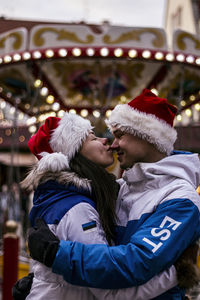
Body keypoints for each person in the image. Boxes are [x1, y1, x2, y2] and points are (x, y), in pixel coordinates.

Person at [27, 89, 200, 299]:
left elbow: (135, 263)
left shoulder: (180, 198)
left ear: (148, 137)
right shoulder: (121, 188)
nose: (113, 143)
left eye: (120, 135)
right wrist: (45, 278)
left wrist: (57, 255)